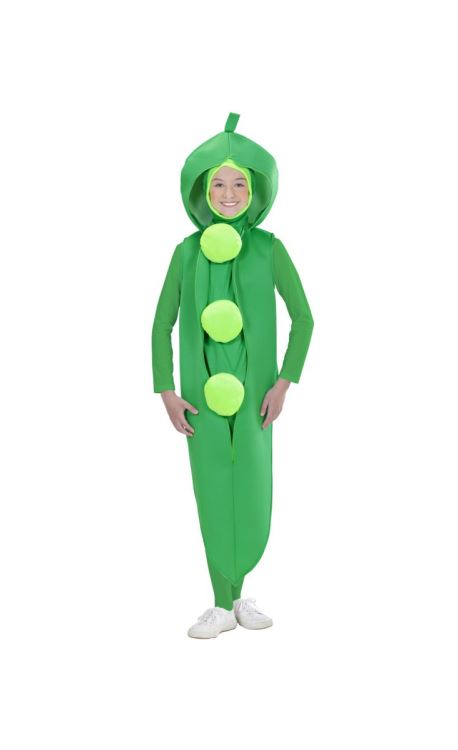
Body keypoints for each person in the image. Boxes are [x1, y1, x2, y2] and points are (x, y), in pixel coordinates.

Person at [151, 112, 314, 639]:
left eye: (239, 183)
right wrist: (166, 390)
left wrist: (284, 382)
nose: (228, 193)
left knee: (253, 488)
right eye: (218, 184)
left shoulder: (269, 249)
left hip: (256, 396)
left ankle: (239, 596)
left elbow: (304, 317)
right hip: (198, 396)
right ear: (202, 191)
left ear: (255, 191)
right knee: (212, 489)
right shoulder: (186, 252)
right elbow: (162, 322)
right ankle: (222, 604)